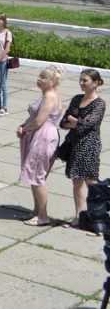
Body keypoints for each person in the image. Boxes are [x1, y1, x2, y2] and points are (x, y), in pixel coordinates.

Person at [17, 65, 64, 227]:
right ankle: (37, 211)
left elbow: (38, 122)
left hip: (43, 137)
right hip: (40, 136)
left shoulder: (50, 96)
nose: (39, 79)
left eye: (43, 77)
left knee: (38, 176)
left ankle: (43, 216)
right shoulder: (47, 94)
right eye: (39, 76)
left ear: (51, 82)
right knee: (34, 174)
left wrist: (24, 129)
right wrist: (24, 125)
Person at [60, 69, 105, 231]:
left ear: (95, 83)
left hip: (89, 145)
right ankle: (79, 217)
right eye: (80, 80)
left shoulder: (99, 103)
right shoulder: (77, 98)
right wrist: (75, 121)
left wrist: (74, 121)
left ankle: (98, 220)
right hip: (74, 144)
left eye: (85, 80)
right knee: (76, 181)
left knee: (92, 183)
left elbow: (88, 125)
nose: (81, 83)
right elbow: (63, 122)